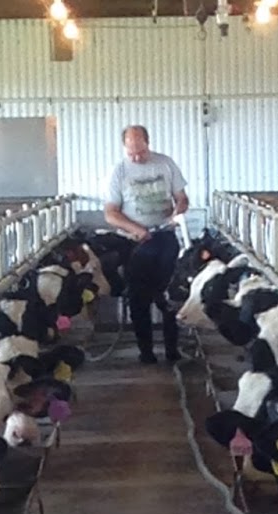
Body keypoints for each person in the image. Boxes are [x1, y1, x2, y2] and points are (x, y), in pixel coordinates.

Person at [103, 125, 189, 364]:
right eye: (131, 153)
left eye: (140, 151)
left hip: (165, 236)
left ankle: (173, 350)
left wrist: (177, 212)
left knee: (170, 294)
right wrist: (136, 229)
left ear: (148, 143)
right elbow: (110, 213)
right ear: (124, 148)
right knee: (138, 300)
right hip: (135, 242)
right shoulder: (118, 172)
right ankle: (146, 352)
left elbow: (181, 198)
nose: (137, 157)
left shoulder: (165, 164)